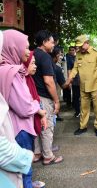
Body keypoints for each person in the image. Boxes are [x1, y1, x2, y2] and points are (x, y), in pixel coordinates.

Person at [0, 29, 47, 188]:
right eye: (25, 47)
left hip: (16, 127)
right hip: (19, 128)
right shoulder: (11, 73)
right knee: (22, 166)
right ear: (13, 48)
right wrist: (38, 107)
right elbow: (24, 107)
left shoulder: (11, 69)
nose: (28, 52)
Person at [32, 30, 63, 165]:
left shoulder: (33, 54)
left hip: (34, 96)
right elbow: (49, 82)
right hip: (44, 97)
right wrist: (56, 101)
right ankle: (48, 156)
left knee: (36, 125)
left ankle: (37, 152)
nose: (53, 44)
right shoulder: (45, 57)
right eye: (51, 42)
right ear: (44, 42)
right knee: (47, 126)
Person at [69, 35, 97, 137]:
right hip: (83, 86)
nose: (80, 48)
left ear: (87, 42)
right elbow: (75, 68)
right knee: (83, 108)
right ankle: (83, 127)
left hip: (96, 86)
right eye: (78, 46)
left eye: (81, 45)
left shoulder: (96, 53)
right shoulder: (78, 55)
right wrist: (70, 78)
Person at [0, 93, 34, 188]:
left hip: (16, 130)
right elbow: (24, 109)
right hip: (21, 129)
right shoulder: (14, 78)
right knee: (26, 173)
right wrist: (27, 157)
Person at [66, 46, 80, 117]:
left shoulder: (81, 57)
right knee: (75, 96)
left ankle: (81, 111)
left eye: (73, 50)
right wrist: (69, 80)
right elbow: (69, 70)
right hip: (74, 80)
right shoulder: (69, 59)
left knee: (83, 97)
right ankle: (77, 111)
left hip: (82, 80)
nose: (72, 51)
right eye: (70, 50)